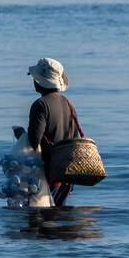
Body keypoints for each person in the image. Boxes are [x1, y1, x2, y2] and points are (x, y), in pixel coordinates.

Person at [25, 57, 84, 208]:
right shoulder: (69, 104)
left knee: (43, 220)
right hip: (66, 175)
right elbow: (74, 139)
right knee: (59, 217)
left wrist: (20, 134)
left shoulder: (40, 105)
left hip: (49, 174)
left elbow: (34, 141)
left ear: (39, 81)